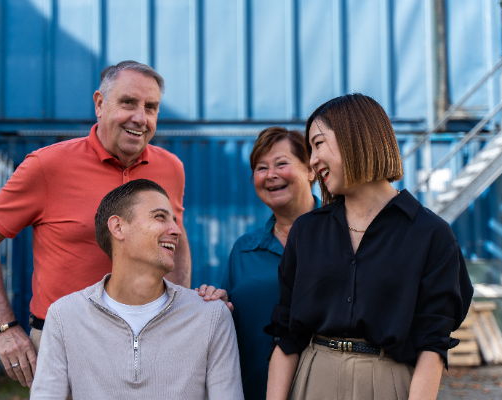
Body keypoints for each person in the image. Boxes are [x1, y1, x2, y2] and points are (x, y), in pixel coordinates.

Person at [0, 61, 192, 388]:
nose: (140, 118)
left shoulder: (171, 168)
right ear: (99, 103)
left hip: (149, 341)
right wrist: (3, 327)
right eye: (128, 103)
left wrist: (180, 314)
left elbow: (176, 243)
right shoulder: (47, 166)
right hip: (65, 343)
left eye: (151, 107)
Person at [265, 94, 473, 400]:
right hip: (313, 381)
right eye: (310, 150)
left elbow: (433, 344)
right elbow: (286, 335)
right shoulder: (306, 231)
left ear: (355, 137)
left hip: (389, 384)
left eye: (318, 144)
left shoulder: (432, 235)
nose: (312, 160)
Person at [30, 179, 244, 400]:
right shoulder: (65, 316)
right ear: (118, 227)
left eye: (174, 220)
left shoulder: (211, 315)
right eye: (160, 216)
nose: (176, 230)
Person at [198, 127, 317, 399]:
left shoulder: (343, 237)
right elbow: (229, 327)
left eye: (281, 164)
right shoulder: (244, 249)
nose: (271, 175)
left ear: (311, 170)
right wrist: (215, 304)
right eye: (261, 168)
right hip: (254, 391)